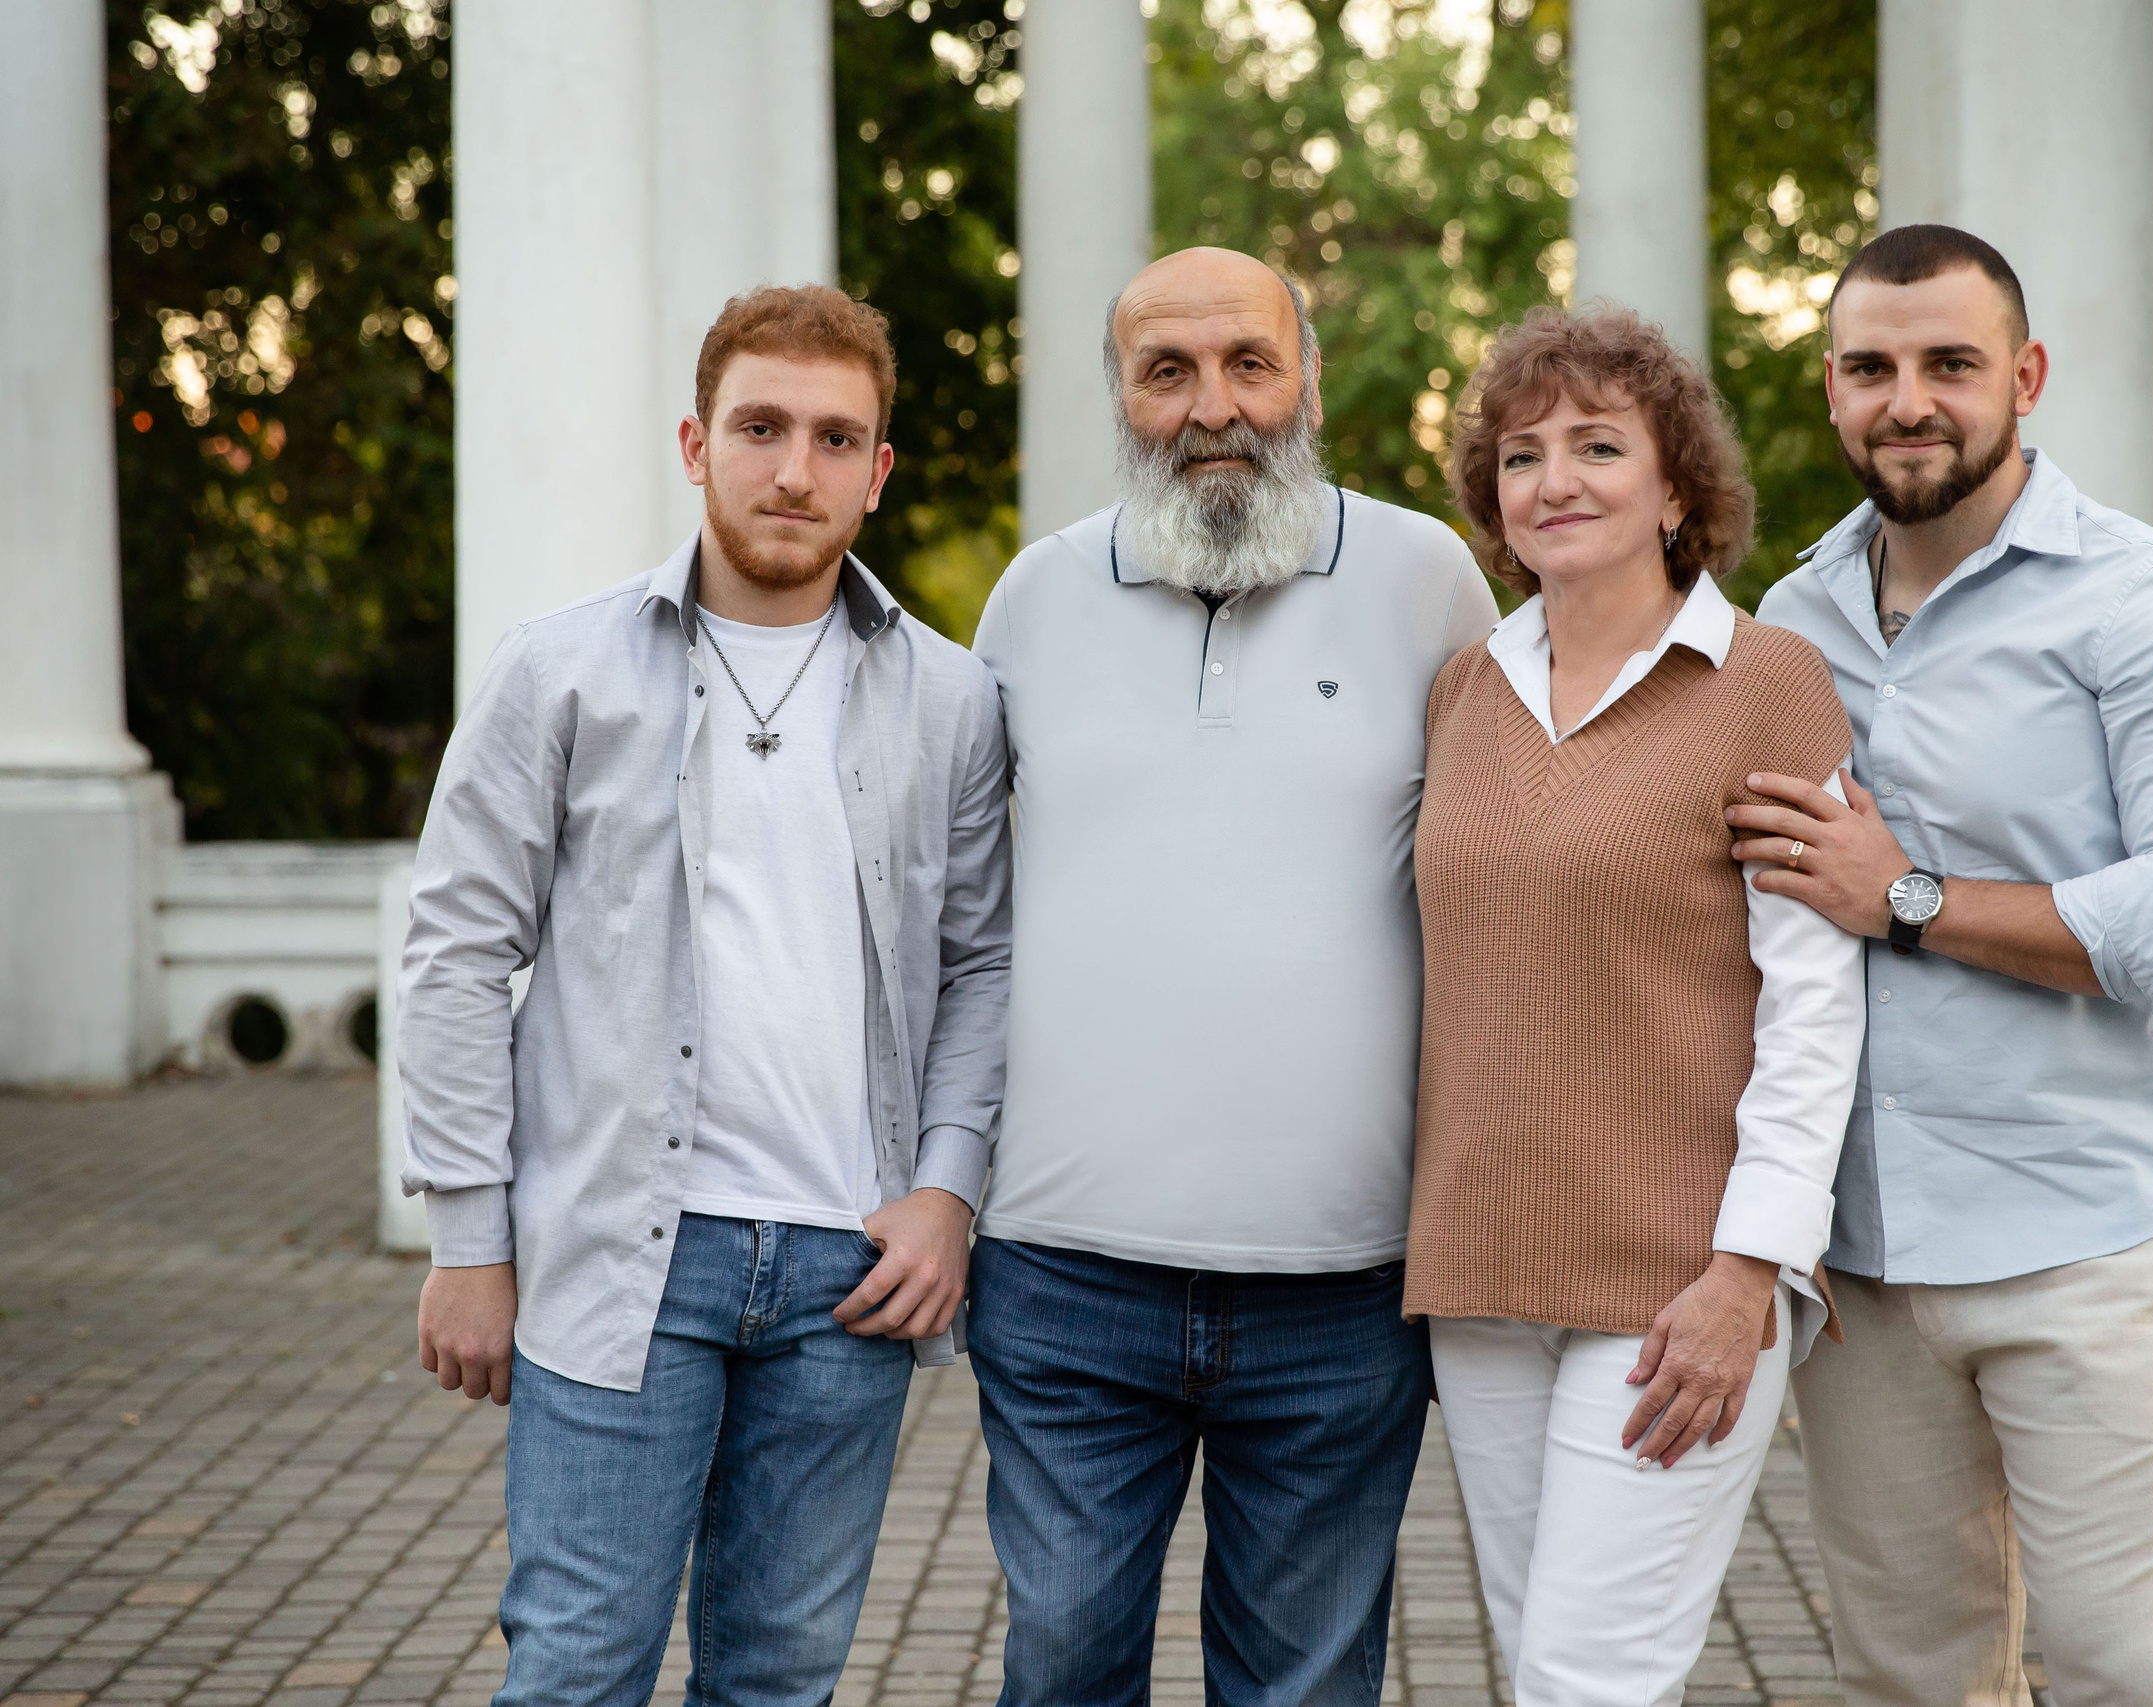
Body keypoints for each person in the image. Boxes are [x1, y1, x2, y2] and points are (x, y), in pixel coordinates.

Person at [400, 284, 1010, 1707]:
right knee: (574, 1669)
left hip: (846, 1273)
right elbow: (456, 952)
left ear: (879, 470)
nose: (794, 469)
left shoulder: (954, 699)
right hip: (619, 1256)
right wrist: (468, 1237)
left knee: (780, 1680)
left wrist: (948, 1190)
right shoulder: (561, 671)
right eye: (760, 427)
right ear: (695, 443)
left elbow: (981, 962)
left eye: (835, 437)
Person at [1747, 224, 2153, 1706]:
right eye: (1871, 367)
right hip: (1860, 1267)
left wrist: (1908, 897)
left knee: (2122, 1676)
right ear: (1836, 389)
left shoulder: (2151, 603)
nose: (1907, 399)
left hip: (2085, 1246)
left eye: (1949, 365)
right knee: (1911, 1684)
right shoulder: (1789, 625)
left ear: (2026, 378)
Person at [966, 246, 1499, 1707]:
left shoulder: (1430, 585)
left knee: (1306, 1691)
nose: (1215, 406)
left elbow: (1512, 880)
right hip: (1065, 1280)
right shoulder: (1033, 598)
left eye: (1248, 364)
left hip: (1344, 1291)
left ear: (1305, 379)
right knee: (1064, 1665)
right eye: (1168, 372)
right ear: (1121, 398)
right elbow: (956, 921)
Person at [1404, 306, 1865, 1707]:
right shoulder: (1462, 690)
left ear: (1679, 490)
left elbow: (1814, 1003)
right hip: (1481, 1274)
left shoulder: (1766, 682)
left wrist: (1752, 1274)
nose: (1558, 480)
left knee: (1585, 1681)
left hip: (1676, 1283)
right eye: (1526, 454)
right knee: (1545, 1655)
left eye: (1600, 446)